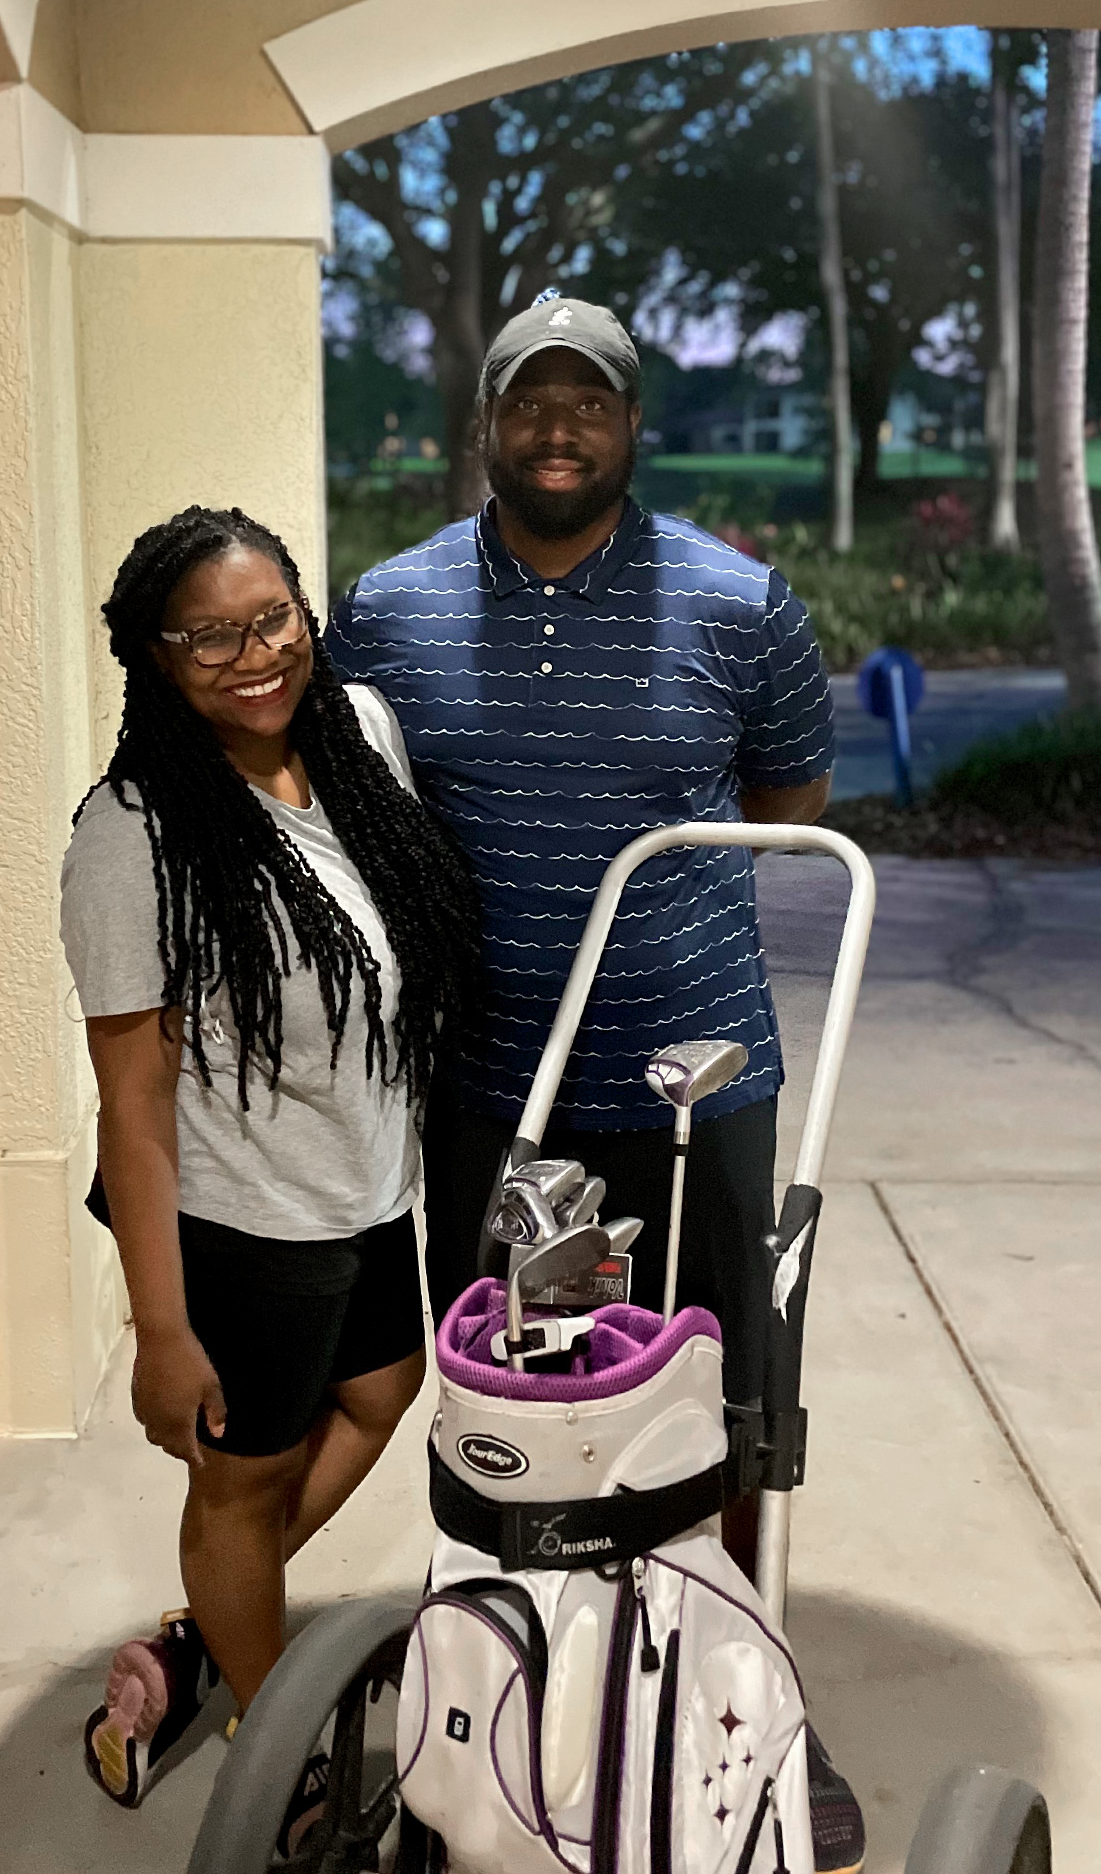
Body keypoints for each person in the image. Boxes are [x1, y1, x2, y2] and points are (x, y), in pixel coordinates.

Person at [323, 293, 864, 1870]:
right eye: (529, 402)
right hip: (493, 1084)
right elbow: (362, 811)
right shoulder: (389, 608)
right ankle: (504, 1680)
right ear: (484, 422)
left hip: (701, 1074)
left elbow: (785, 798)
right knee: (508, 1397)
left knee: (732, 1409)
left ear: (634, 425)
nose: (559, 428)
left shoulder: (739, 601)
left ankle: (740, 1693)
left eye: (592, 403)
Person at [67, 506, 480, 1809]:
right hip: (242, 1223)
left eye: (271, 619)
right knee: (240, 1491)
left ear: (304, 609)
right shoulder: (135, 834)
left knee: (383, 1392)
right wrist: (161, 1328)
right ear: (153, 656)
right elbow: (130, 1106)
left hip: (363, 1184)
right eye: (206, 637)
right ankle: (276, 1742)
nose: (252, 655)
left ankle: (204, 1626)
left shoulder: (358, 732)